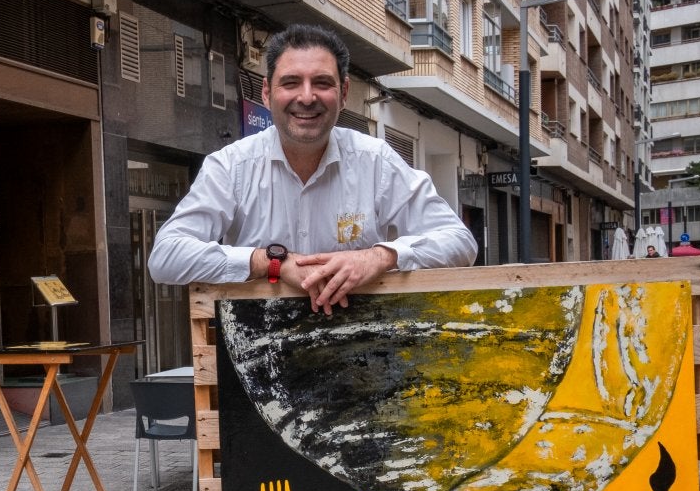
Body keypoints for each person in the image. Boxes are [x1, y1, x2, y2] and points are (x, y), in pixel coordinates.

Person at [147, 24, 477, 314]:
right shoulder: (231, 167)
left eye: (322, 83)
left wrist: (379, 257)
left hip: (362, 358)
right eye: (291, 82)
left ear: (344, 93)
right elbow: (166, 256)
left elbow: (460, 242)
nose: (307, 97)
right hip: (258, 364)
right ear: (266, 92)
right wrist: (273, 262)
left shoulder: (375, 161)